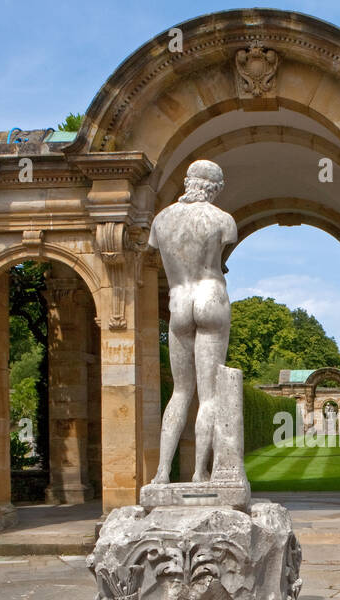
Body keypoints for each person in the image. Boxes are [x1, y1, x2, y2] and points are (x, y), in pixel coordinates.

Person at [146, 159, 239, 485]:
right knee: (210, 395)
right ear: (214, 188)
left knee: (180, 392)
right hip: (211, 299)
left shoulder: (161, 220)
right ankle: (201, 472)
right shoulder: (222, 220)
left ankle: (161, 473)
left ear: (188, 181)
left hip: (180, 302)